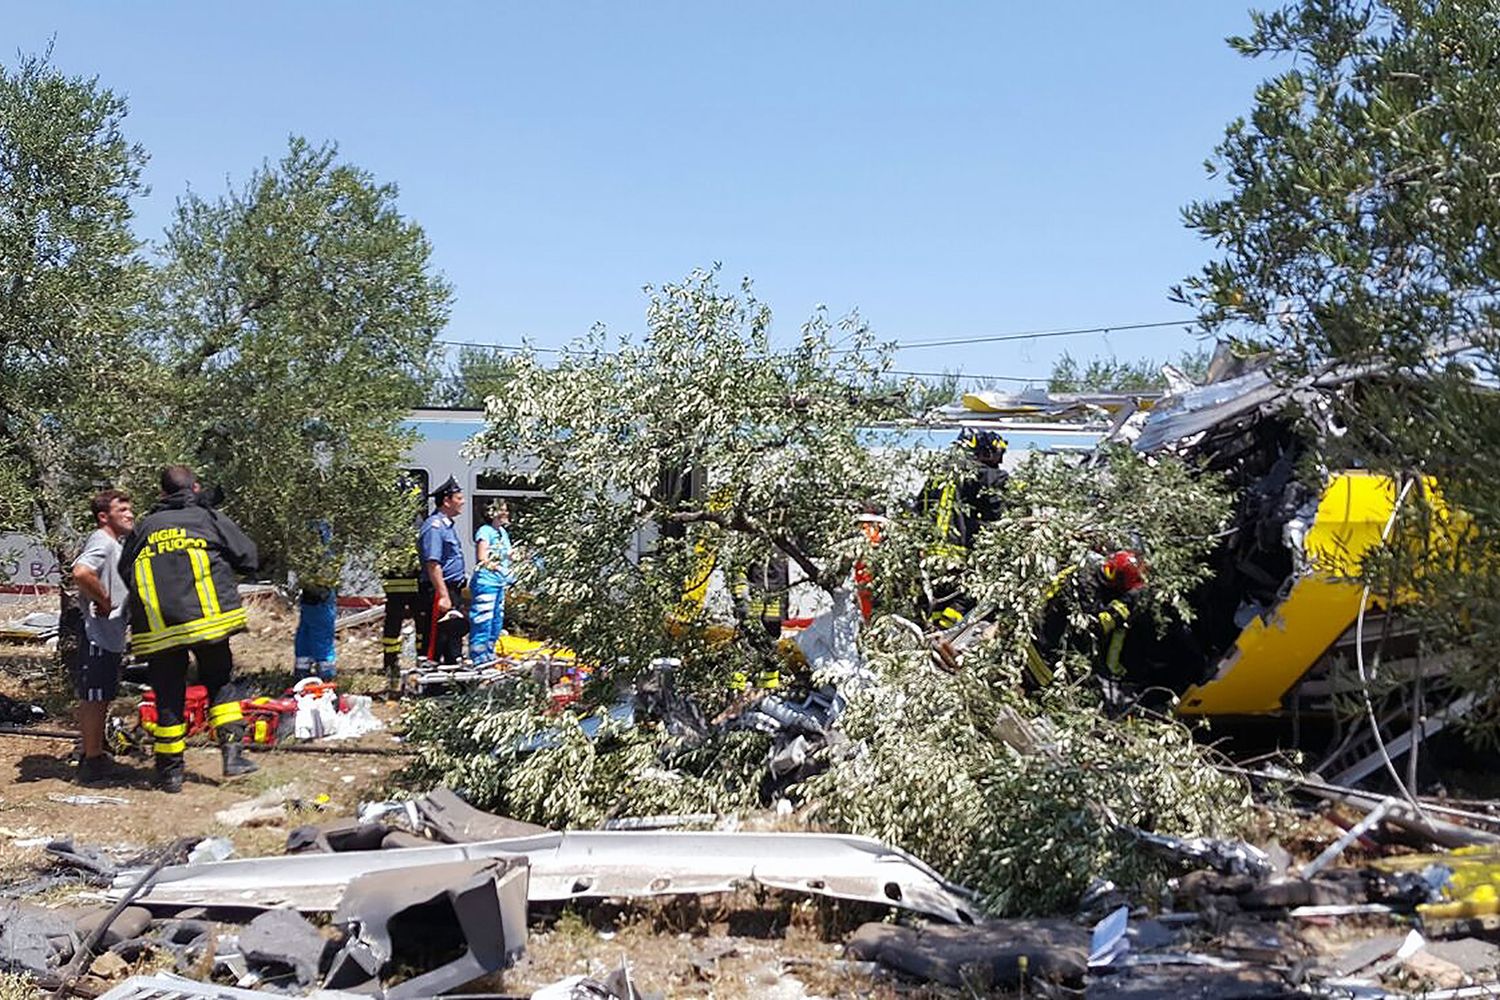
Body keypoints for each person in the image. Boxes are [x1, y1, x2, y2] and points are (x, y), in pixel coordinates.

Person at [119, 465, 260, 792]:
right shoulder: (208, 518)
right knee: (220, 683)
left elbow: (125, 570)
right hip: (208, 622)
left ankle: (170, 774)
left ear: (162, 493)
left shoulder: (145, 527)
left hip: (159, 627)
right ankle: (233, 757)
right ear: (195, 488)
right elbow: (248, 557)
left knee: (168, 695)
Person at [70, 489, 135, 785]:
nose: (130, 515)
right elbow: (81, 572)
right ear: (103, 517)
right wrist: (104, 600)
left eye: (130, 509)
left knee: (101, 696)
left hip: (109, 636)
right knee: (94, 699)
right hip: (97, 635)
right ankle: (92, 761)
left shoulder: (113, 544)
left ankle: (94, 753)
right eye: (122, 510)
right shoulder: (102, 541)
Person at [1024, 549, 1147, 691]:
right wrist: (1118, 611)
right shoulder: (1088, 593)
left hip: (1034, 631)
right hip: (1040, 655)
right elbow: (1092, 628)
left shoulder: (1084, 568)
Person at [379, 476, 427, 691]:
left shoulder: (391, 521)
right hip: (409, 582)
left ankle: (392, 664)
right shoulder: (411, 522)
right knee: (414, 625)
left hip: (398, 583)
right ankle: (403, 663)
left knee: (395, 625)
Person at [415, 475, 468, 665]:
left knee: (451, 636)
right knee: (435, 639)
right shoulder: (434, 527)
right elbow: (433, 563)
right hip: (439, 590)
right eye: (459, 498)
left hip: (451, 589)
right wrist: (443, 595)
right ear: (446, 501)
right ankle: (430, 676)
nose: (463, 502)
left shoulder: (447, 526)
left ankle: (451, 674)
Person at [468, 500, 513, 666]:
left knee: (496, 623)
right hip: (486, 583)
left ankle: (489, 656)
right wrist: (499, 568)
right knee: (483, 621)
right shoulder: (484, 531)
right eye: (503, 510)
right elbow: (482, 558)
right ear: (492, 513)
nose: (506, 513)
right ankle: (478, 659)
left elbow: (508, 555)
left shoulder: (502, 532)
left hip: (500, 583)